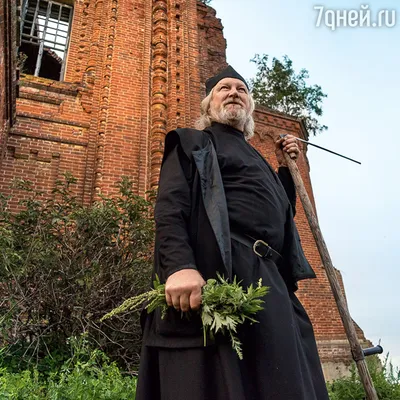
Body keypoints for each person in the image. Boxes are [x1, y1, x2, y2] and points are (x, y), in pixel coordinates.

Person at [136, 66, 329, 400]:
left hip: (268, 276)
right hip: (221, 268)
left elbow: (277, 213)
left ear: (250, 107)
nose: (234, 91)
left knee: (283, 380)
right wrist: (180, 266)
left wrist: (286, 168)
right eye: (224, 88)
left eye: (242, 89)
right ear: (208, 105)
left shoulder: (258, 158)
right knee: (220, 380)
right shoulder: (194, 143)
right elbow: (171, 208)